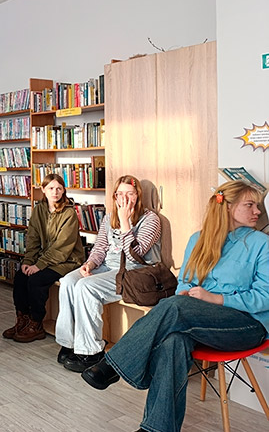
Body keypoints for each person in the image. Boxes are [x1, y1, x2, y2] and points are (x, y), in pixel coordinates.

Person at [82, 180, 269, 432]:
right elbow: (185, 282)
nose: (258, 211)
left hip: (247, 325)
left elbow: (265, 296)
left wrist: (216, 299)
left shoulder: (262, 244)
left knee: (176, 306)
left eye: (257, 206)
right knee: (173, 341)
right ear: (227, 207)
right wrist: (186, 292)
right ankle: (156, 429)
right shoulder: (198, 239)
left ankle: (113, 365)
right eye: (250, 205)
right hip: (198, 320)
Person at [55, 174, 161, 372]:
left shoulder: (150, 219)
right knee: (69, 281)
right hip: (106, 268)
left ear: (138, 196)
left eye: (130, 194)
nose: (125, 199)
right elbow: (100, 249)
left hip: (134, 272)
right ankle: (69, 343)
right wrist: (89, 264)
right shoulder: (108, 218)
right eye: (120, 194)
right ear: (115, 196)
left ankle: (91, 352)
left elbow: (135, 255)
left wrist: (125, 223)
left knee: (86, 287)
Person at [3, 174, 84, 343]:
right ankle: (23, 320)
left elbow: (62, 247)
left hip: (67, 260)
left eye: (59, 188)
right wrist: (28, 261)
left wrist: (39, 265)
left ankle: (36, 323)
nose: (55, 192)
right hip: (46, 258)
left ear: (64, 191)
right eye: (51, 188)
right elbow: (32, 238)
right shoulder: (39, 209)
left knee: (36, 280)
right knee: (20, 276)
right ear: (43, 190)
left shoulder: (69, 213)